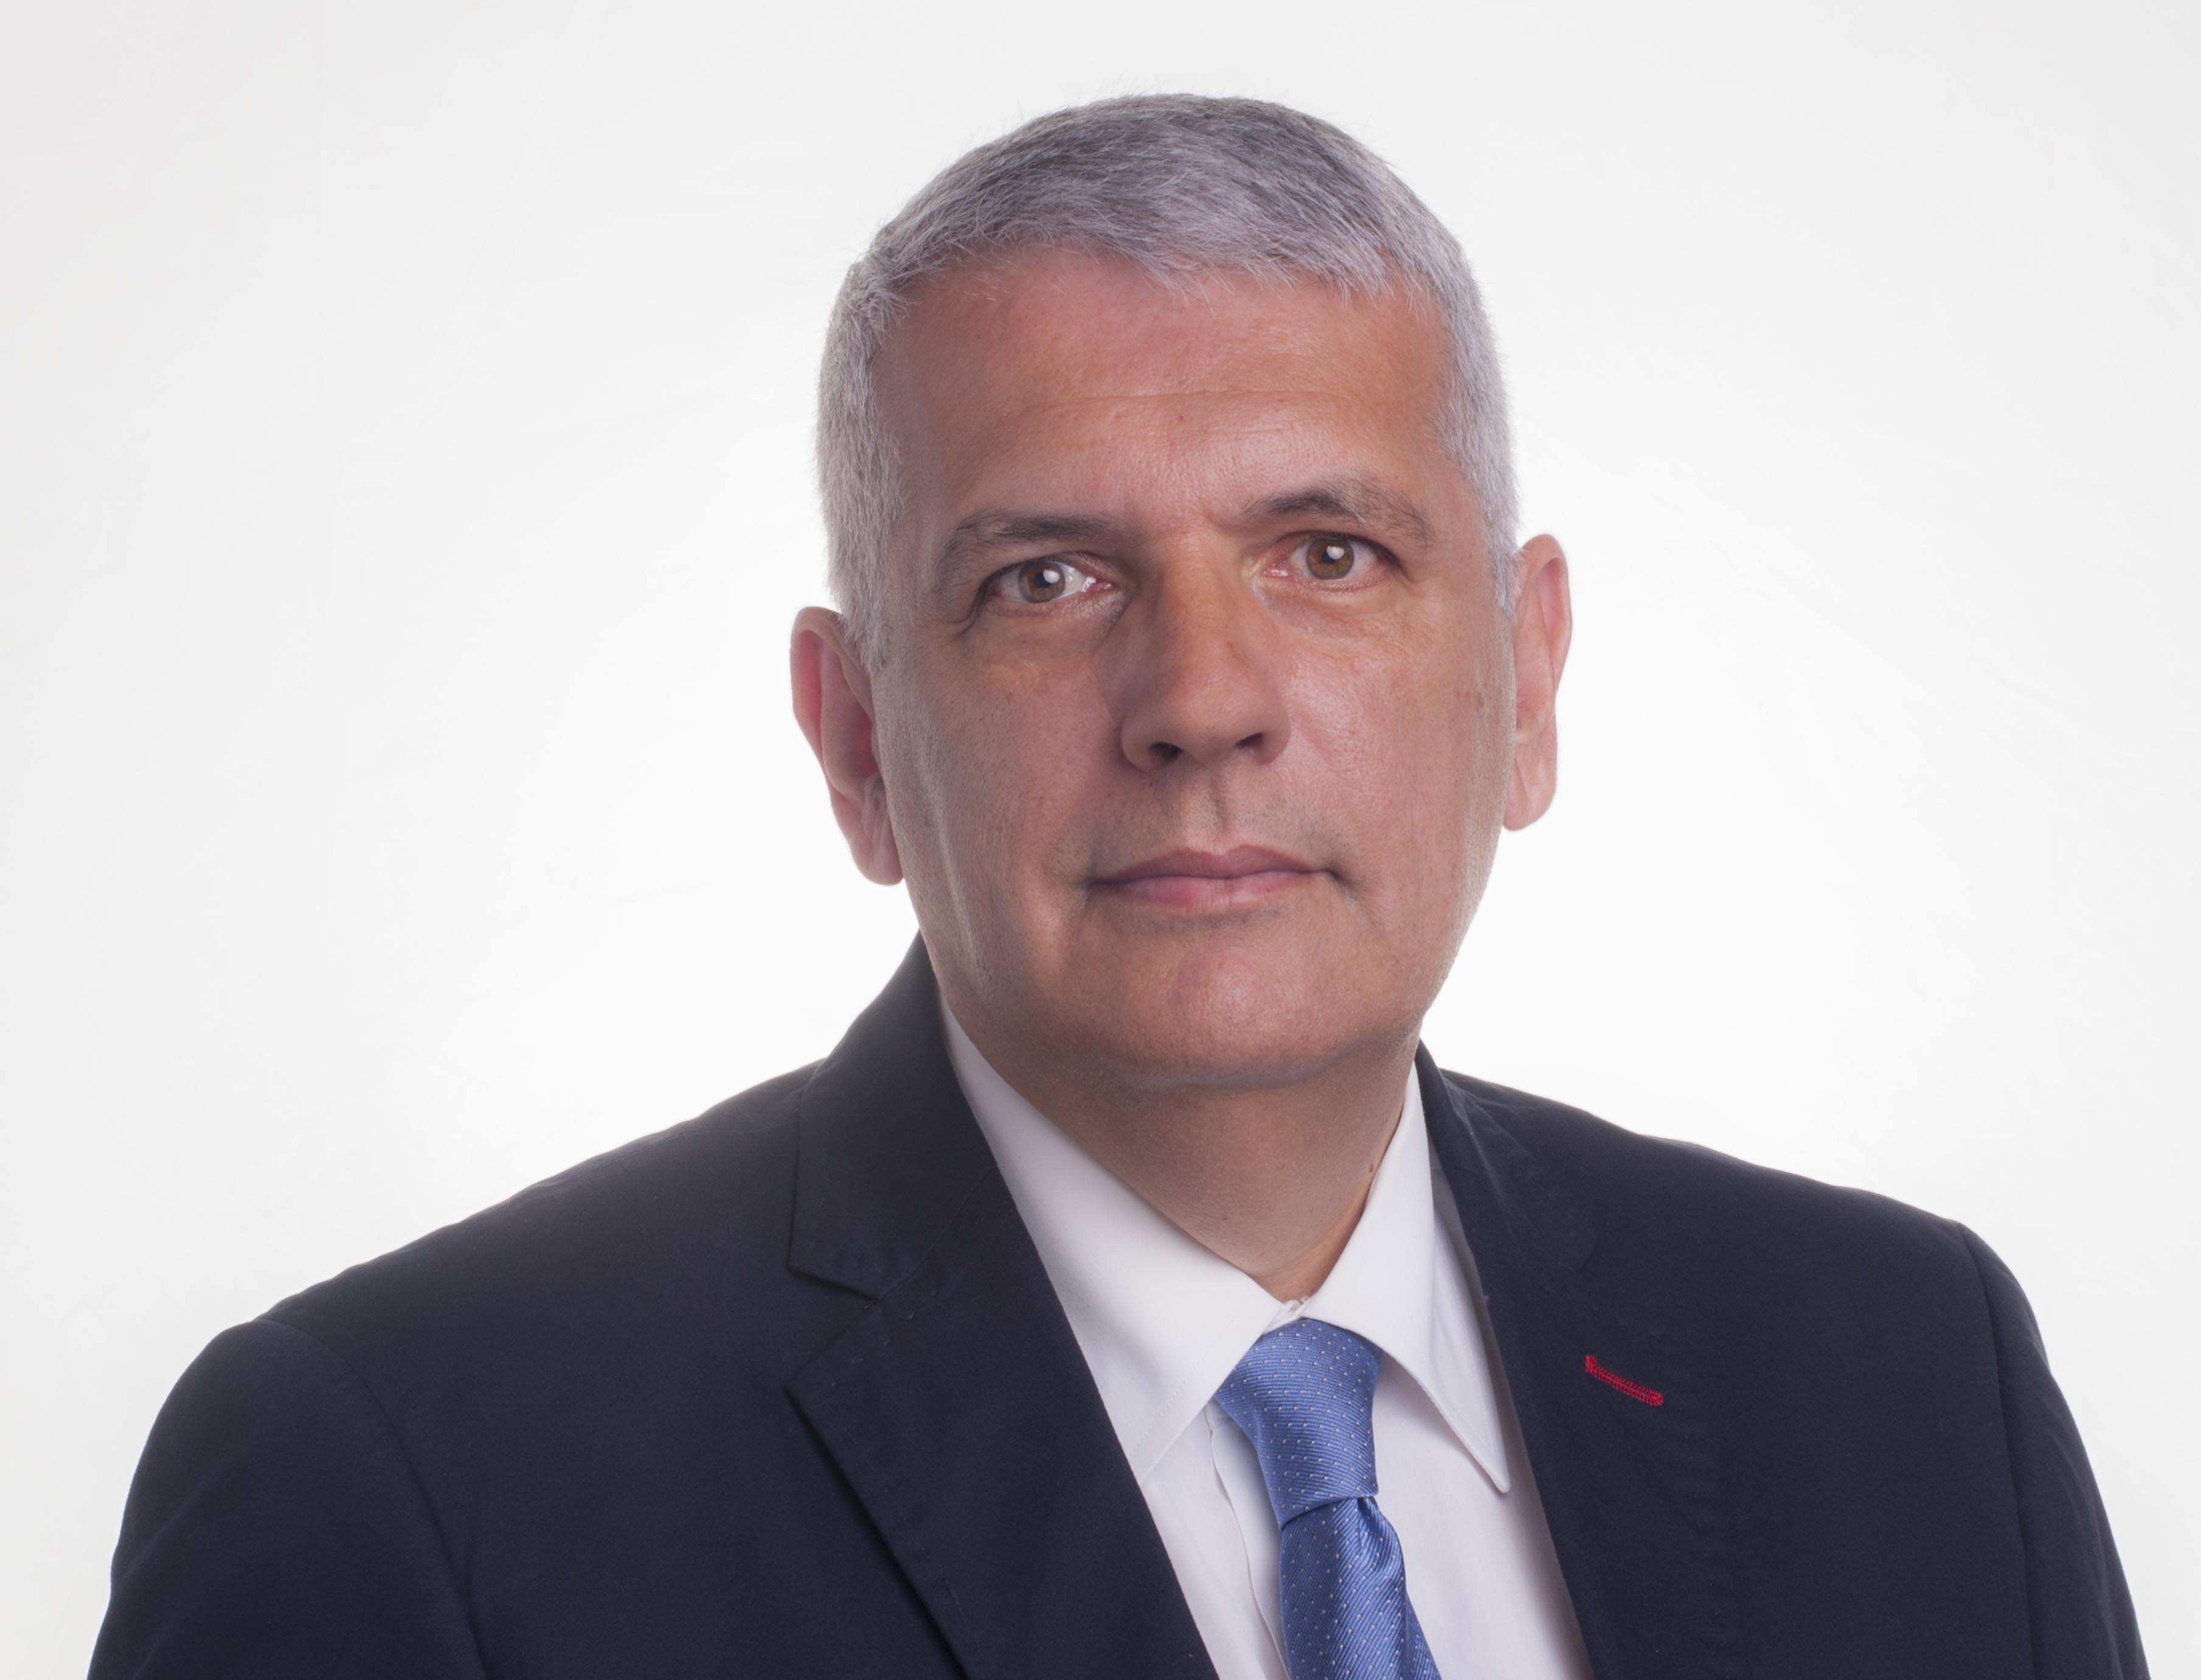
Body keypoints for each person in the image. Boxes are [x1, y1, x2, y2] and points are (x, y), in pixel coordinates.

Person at [90, 95, 2146, 1680]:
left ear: (1524, 683)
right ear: (857, 738)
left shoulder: (1902, 1372)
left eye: (1327, 554)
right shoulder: (406, 1482)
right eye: (1047, 579)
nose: (1201, 701)